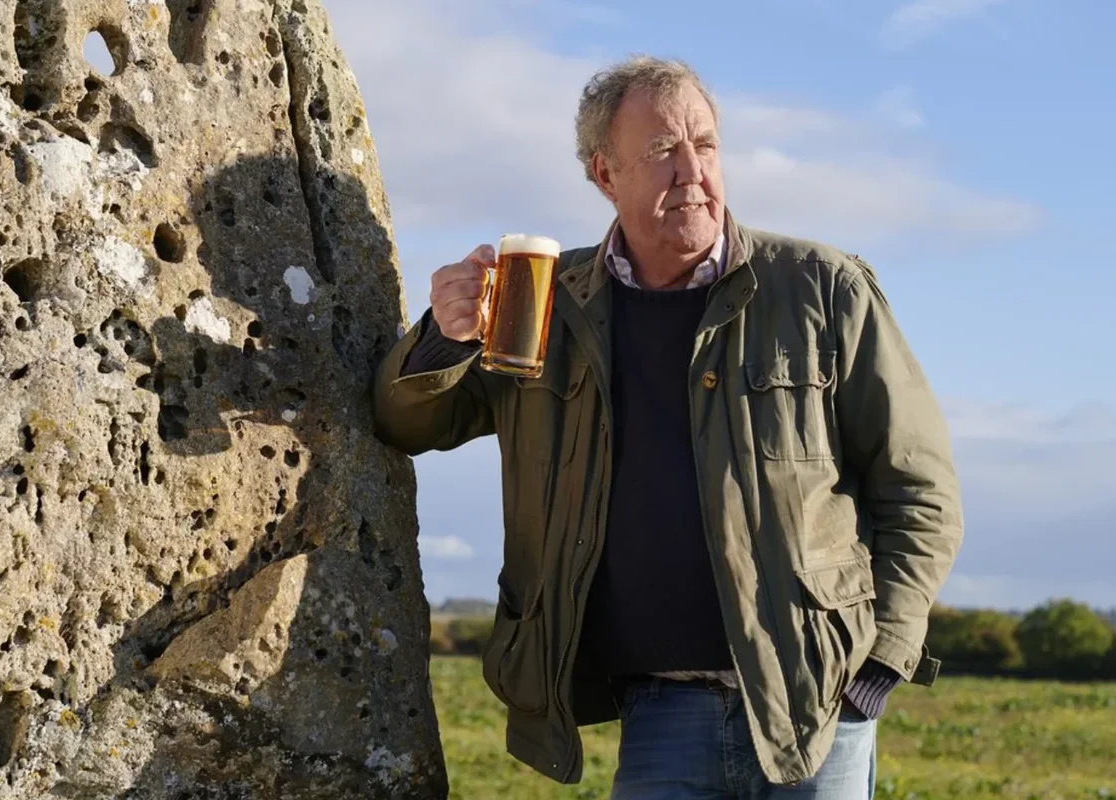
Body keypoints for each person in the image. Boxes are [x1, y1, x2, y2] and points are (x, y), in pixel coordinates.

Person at [372, 55, 963, 800]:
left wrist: (882, 660)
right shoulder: (545, 305)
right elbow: (405, 421)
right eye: (660, 151)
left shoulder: (822, 289)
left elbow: (921, 488)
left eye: (706, 145)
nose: (692, 171)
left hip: (817, 705)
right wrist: (446, 337)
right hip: (662, 709)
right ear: (603, 173)